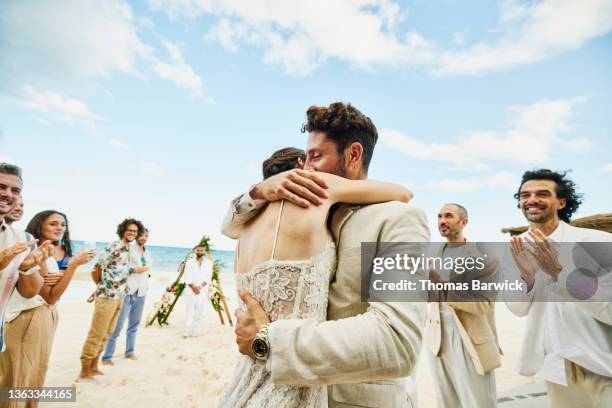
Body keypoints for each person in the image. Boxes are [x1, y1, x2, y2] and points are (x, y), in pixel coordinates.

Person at [220, 102, 429, 408]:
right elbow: (230, 226)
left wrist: (266, 339)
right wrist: (261, 189)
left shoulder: (399, 219)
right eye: (305, 159)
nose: (306, 168)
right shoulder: (301, 208)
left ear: (354, 154)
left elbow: (397, 342)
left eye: (317, 157)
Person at [504, 169, 612, 408]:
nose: (532, 200)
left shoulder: (597, 242)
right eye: (525, 195)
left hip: (602, 366)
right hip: (554, 369)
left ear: (561, 202)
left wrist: (559, 274)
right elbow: (517, 309)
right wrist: (527, 277)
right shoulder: (515, 248)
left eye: (542, 194)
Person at [0, 210, 94, 405]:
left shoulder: (48, 252)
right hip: (28, 318)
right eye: (53, 224)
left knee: (35, 374)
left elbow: (53, 292)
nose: (60, 228)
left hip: (44, 316)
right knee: (19, 379)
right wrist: (73, 266)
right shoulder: (36, 252)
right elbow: (51, 296)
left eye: (63, 224)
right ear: (39, 225)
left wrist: (61, 274)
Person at [425, 204, 500, 408]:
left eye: (448, 216)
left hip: (470, 337)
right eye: (439, 216)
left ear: (464, 222)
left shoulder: (484, 258)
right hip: (436, 338)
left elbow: (484, 304)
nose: (442, 221)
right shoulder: (431, 255)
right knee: (446, 402)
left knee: (480, 401)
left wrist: (441, 286)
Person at [78, 218, 148, 380]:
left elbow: (120, 270)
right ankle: (84, 371)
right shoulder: (114, 246)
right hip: (107, 297)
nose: (132, 233)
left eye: (135, 231)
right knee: (96, 334)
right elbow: (96, 269)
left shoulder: (128, 248)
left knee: (107, 333)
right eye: (129, 230)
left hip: (120, 297)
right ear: (123, 230)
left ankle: (94, 367)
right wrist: (101, 287)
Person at [0, 163, 51, 354]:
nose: (8, 194)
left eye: (15, 190)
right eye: (1, 187)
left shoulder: (24, 240)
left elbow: (29, 292)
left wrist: (27, 268)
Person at [102, 228, 152, 363]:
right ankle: (107, 356)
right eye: (141, 234)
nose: (144, 237)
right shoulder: (128, 249)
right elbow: (118, 268)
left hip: (141, 293)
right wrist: (134, 270)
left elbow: (147, 270)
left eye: (146, 235)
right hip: (127, 292)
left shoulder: (148, 253)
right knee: (117, 327)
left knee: (134, 325)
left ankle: (129, 352)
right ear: (136, 235)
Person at [182, 244, 213, 338]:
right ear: (195, 251)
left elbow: (208, 277)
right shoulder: (189, 262)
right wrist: (194, 287)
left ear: (204, 251)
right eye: (198, 250)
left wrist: (200, 287)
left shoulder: (208, 263)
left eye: (201, 250)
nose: (199, 252)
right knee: (189, 312)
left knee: (199, 313)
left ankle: (195, 332)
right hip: (190, 291)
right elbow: (187, 276)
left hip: (202, 291)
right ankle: (186, 333)